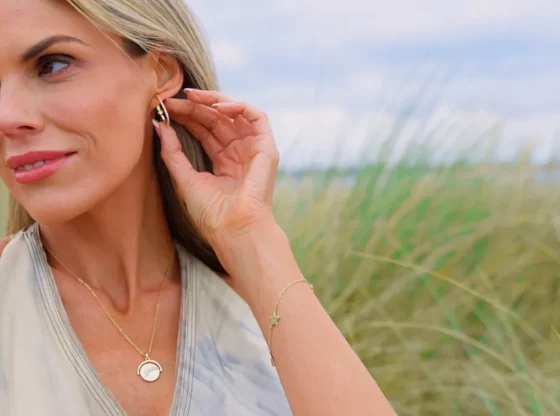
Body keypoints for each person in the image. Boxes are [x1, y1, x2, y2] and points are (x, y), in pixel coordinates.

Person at [0, 0, 397, 415]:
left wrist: (250, 236)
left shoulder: (256, 305)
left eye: (52, 65)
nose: (7, 116)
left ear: (160, 72)